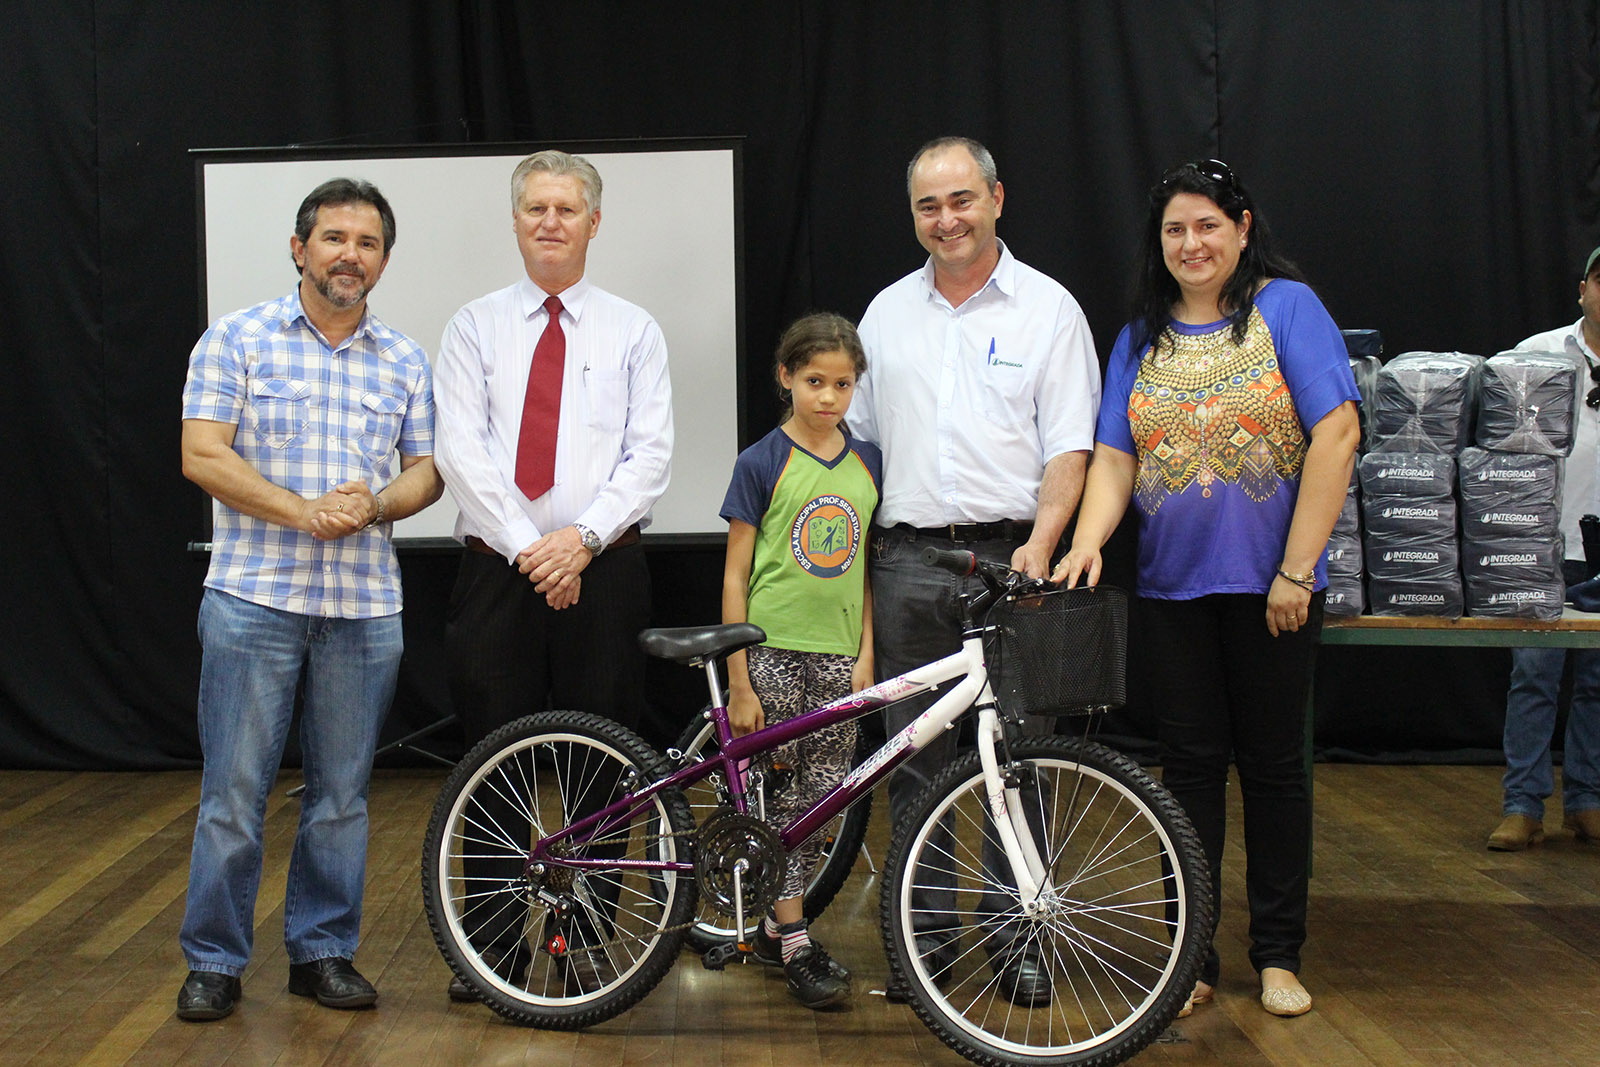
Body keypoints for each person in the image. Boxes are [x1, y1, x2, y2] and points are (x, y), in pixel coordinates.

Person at [1056, 159, 1360, 1018]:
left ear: (1242, 228)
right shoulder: (1138, 338)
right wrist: (1088, 541)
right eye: (1174, 230)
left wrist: (1296, 569)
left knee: (1273, 770)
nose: (1191, 244)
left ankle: (1279, 955)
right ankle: (1189, 955)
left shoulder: (1287, 309)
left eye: (1207, 226)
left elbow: (1338, 433)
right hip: (1172, 592)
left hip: (1275, 592)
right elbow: (1115, 457)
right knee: (1186, 773)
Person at [176, 179, 443, 1021]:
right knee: (233, 794)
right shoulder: (237, 338)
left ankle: (322, 952)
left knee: (342, 797)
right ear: (300, 249)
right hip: (253, 599)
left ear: (384, 260)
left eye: (367, 243)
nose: (349, 256)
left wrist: (375, 503)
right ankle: (213, 960)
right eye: (334, 238)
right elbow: (201, 453)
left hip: (363, 609)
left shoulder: (404, 359)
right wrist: (302, 511)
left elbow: (428, 473)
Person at [852, 136, 1101, 1006]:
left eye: (961, 199)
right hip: (907, 561)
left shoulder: (1050, 309)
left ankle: (1017, 934)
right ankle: (921, 943)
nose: (946, 218)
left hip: (1013, 560)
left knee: (1020, 757)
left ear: (997, 198)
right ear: (913, 215)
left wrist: (1045, 540)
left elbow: (1071, 445)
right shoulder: (885, 315)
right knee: (913, 761)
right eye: (929, 205)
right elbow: (859, 449)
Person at [432, 149, 672, 1000]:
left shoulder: (634, 329)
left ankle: (592, 940)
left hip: (605, 572)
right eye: (535, 207)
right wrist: (533, 549)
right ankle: (491, 950)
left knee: (602, 760)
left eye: (567, 209)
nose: (550, 222)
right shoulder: (472, 326)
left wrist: (581, 541)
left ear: (594, 223)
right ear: (515, 220)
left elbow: (650, 457)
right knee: (491, 760)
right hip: (498, 573)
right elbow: (461, 450)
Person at [719, 312, 881, 1009]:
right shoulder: (761, 461)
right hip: (773, 650)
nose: (828, 397)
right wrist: (739, 678)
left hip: (840, 655)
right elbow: (735, 576)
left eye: (843, 384)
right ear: (786, 377)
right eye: (815, 381)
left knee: (820, 800)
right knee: (780, 800)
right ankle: (793, 938)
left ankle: (776, 926)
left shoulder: (868, 461)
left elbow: (864, 567)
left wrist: (866, 653)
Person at [1487, 245, 1600, 851]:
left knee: (1599, 682)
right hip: (1541, 539)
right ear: (1583, 289)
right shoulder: (1536, 354)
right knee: (1534, 673)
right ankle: (1523, 804)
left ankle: (1587, 801)